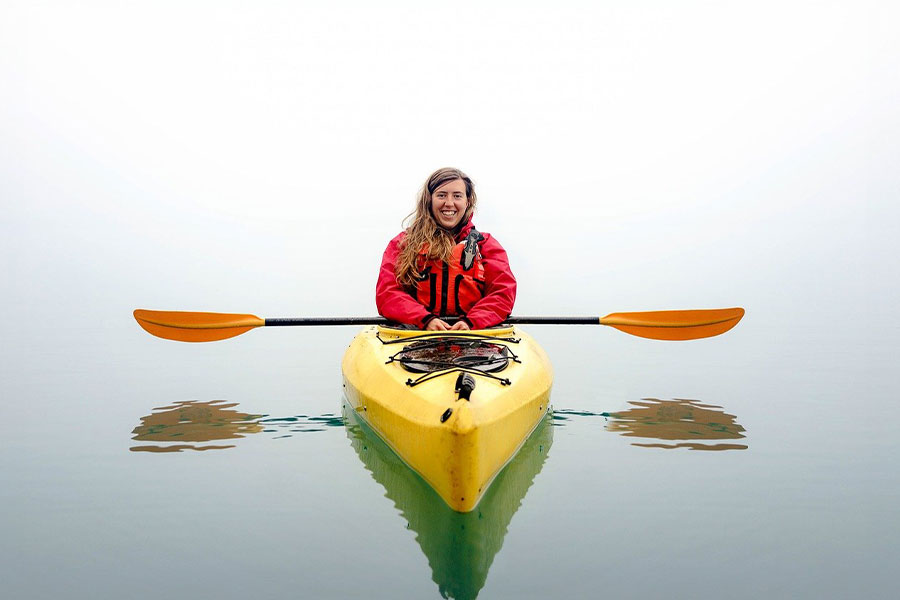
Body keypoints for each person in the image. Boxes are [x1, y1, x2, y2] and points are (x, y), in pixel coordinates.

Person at [376, 168, 516, 331]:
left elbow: (502, 293)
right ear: (429, 200)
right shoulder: (403, 244)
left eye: (457, 196)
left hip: (474, 338)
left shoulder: (486, 245)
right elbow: (388, 293)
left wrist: (470, 322)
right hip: (414, 336)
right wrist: (425, 319)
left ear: (467, 201)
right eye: (441, 195)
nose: (449, 203)